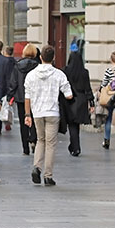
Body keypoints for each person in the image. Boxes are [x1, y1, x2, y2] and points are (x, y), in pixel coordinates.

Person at [24, 45, 74, 186]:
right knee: (51, 144)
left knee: (40, 140)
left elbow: (27, 97)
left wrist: (27, 114)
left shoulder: (31, 75)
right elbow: (69, 95)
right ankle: (48, 175)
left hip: (37, 112)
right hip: (52, 112)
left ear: (40, 57)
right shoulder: (59, 74)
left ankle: (37, 167)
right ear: (53, 58)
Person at [9, 44, 40, 155]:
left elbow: (13, 82)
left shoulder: (17, 66)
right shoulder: (38, 66)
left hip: (21, 97)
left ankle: (25, 148)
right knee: (34, 120)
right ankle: (33, 139)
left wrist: (10, 95)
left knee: (23, 123)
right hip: (34, 97)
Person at [63, 51, 93, 157]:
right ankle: (75, 146)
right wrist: (91, 102)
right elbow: (88, 88)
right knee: (76, 124)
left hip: (69, 98)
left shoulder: (65, 71)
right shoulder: (84, 72)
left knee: (72, 124)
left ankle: (75, 146)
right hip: (81, 99)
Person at [99, 51, 115, 150]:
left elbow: (104, 83)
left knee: (108, 119)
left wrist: (100, 90)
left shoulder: (108, 70)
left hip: (109, 97)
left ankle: (107, 140)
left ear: (111, 59)